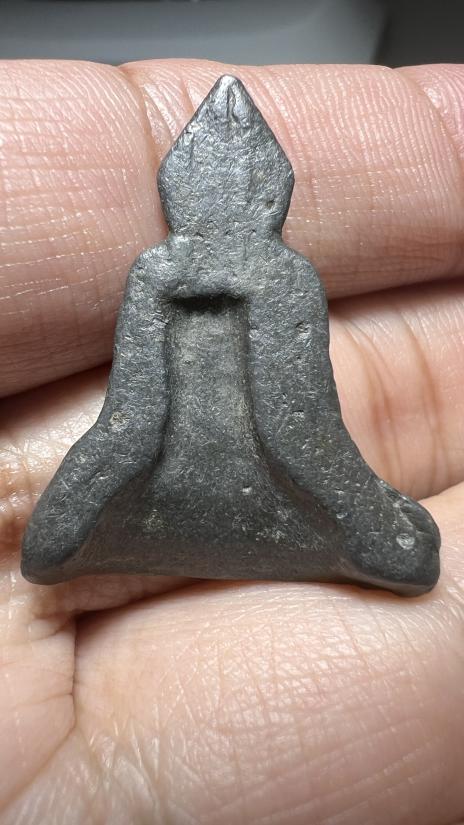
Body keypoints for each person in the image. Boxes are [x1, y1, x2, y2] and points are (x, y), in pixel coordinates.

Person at [0, 58, 463, 824]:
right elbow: (294, 432)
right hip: (287, 512)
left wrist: (66, 520)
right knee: (411, 551)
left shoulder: (158, 270)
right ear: (274, 193)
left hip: (147, 514)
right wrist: (371, 524)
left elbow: (131, 426)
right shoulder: (281, 273)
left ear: (177, 192)